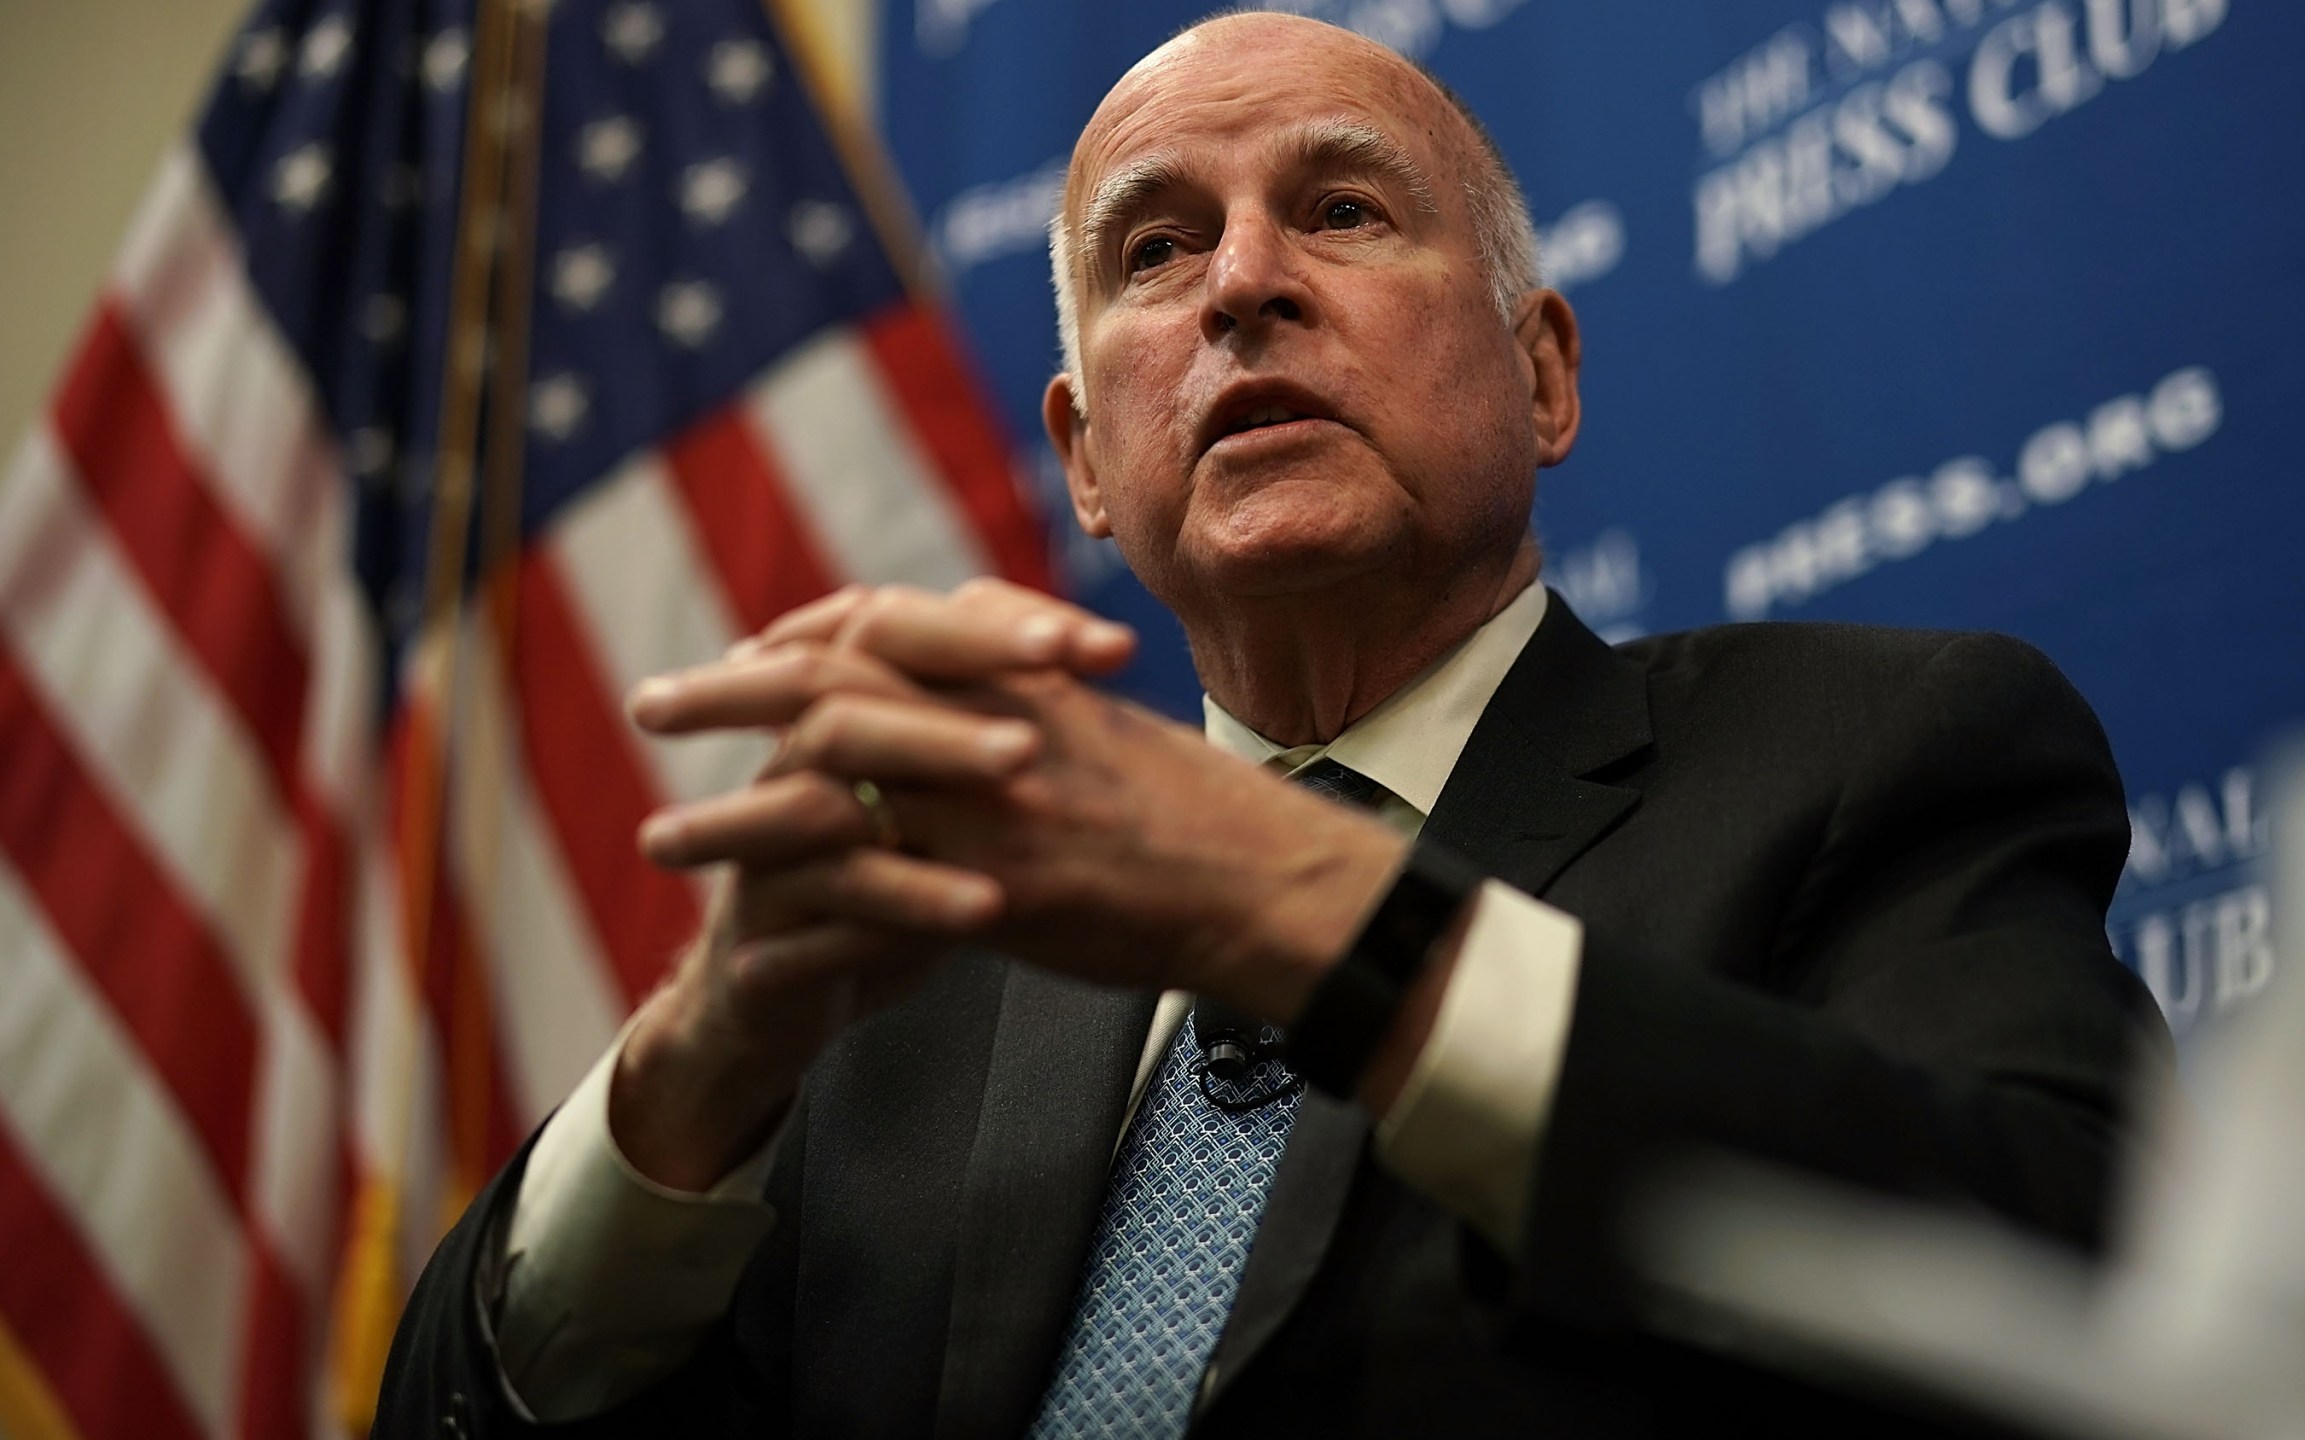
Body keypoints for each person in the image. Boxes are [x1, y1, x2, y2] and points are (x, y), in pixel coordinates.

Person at [380, 11, 2172, 1437]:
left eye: (1340, 209)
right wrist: (704, 1063)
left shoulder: (1874, 756)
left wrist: (1313, 913)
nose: (1242, 283)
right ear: (1087, 463)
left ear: (1541, 371)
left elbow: (2072, 1287)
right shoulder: (903, 994)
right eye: (1156, 251)